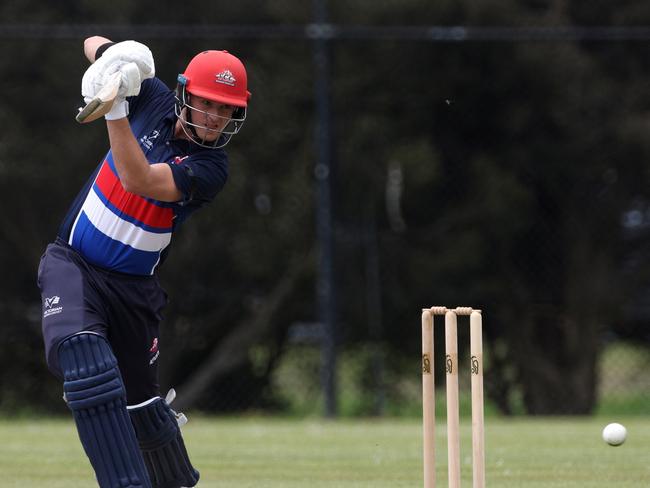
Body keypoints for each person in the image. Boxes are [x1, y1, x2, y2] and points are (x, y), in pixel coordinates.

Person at [37, 36, 251, 488]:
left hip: (134, 291)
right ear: (185, 92)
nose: (215, 118)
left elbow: (136, 179)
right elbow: (91, 42)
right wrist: (117, 64)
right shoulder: (152, 96)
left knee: (142, 411)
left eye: (226, 110)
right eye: (208, 103)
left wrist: (113, 111)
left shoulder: (211, 167)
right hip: (74, 265)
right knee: (88, 367)